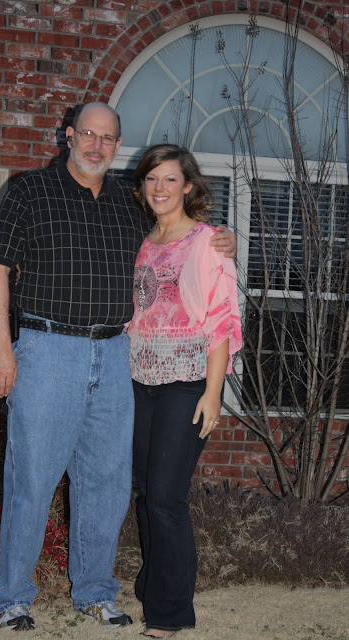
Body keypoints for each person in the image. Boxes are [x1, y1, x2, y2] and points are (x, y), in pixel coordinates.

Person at [0, 103, 237, 631]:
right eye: (88, 135)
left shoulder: (129, 203)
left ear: (117, 146)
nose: (97, 146)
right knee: (32, 479)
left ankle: (95, 592)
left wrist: (225, 237)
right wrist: (2, 346)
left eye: (108, 138)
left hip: (118, 355)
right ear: (68, 136)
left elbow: (180, 236)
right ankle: (13, 598)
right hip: (48, 350)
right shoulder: (29, 191)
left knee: (107, 483)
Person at [127, 145, 242, 638]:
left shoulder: (208, 241)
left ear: (188, 186)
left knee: (166, 497)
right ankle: (154, 584)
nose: (160, 188)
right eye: (152, 178)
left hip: (186, 382)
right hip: (137, 380)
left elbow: (221, 319)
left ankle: (170, 613)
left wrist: (213, 393)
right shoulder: (142, 239)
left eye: (170, 179)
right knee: (145, 493)